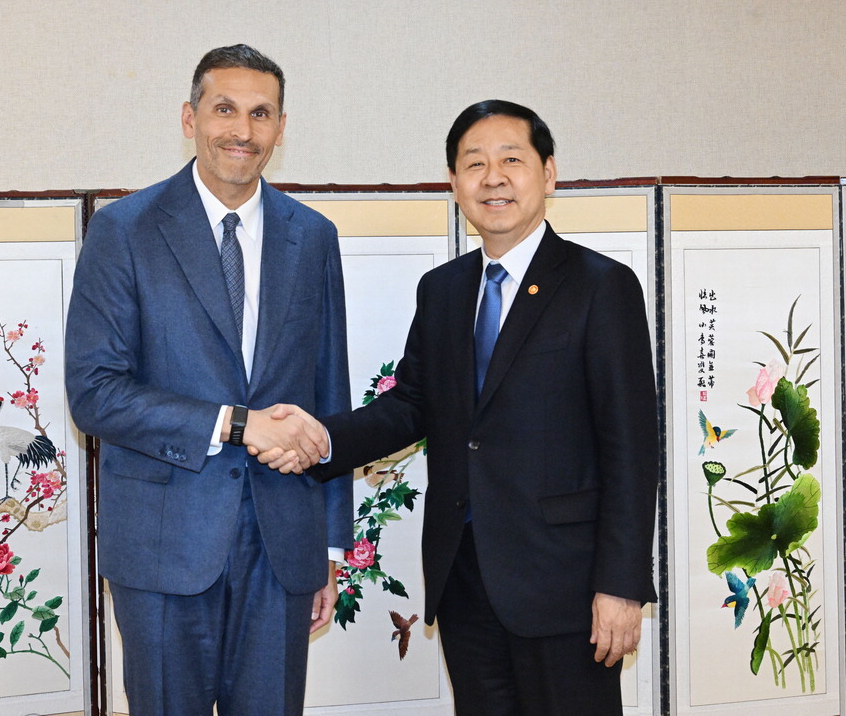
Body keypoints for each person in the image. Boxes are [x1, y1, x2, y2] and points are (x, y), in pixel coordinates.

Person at [259, 100, 659, 715]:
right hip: (464, 575)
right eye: (474, 164)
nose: (493, 178)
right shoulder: (443, 290)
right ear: (454, 182)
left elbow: (631, 447)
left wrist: (621, 585)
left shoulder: (600, 285)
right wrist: (321, 440)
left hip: (566, 585)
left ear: (549, 173)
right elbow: (411, 406)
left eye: (511, 160)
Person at [65, 44, 351, 716]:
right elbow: (94, 390)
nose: (242, 130)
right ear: (189, 118)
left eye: (261, 113)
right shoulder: (124, 230)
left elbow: (328, 394)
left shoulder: (312, 236)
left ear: (281, 127)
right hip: (164, 545)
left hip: (283, 547)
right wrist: (237, 424)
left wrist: (329, 544)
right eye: (225, 109)